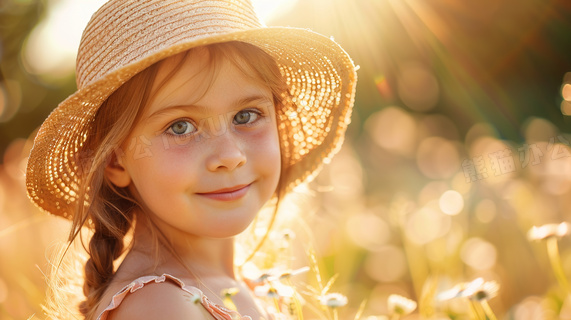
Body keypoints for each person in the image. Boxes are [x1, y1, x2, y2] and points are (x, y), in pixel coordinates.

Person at [25, 0, 357, 319]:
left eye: (246, 115)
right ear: (115, 160)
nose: (229, 156)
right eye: (180, 127)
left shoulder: (246, 287)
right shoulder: (161, 308)